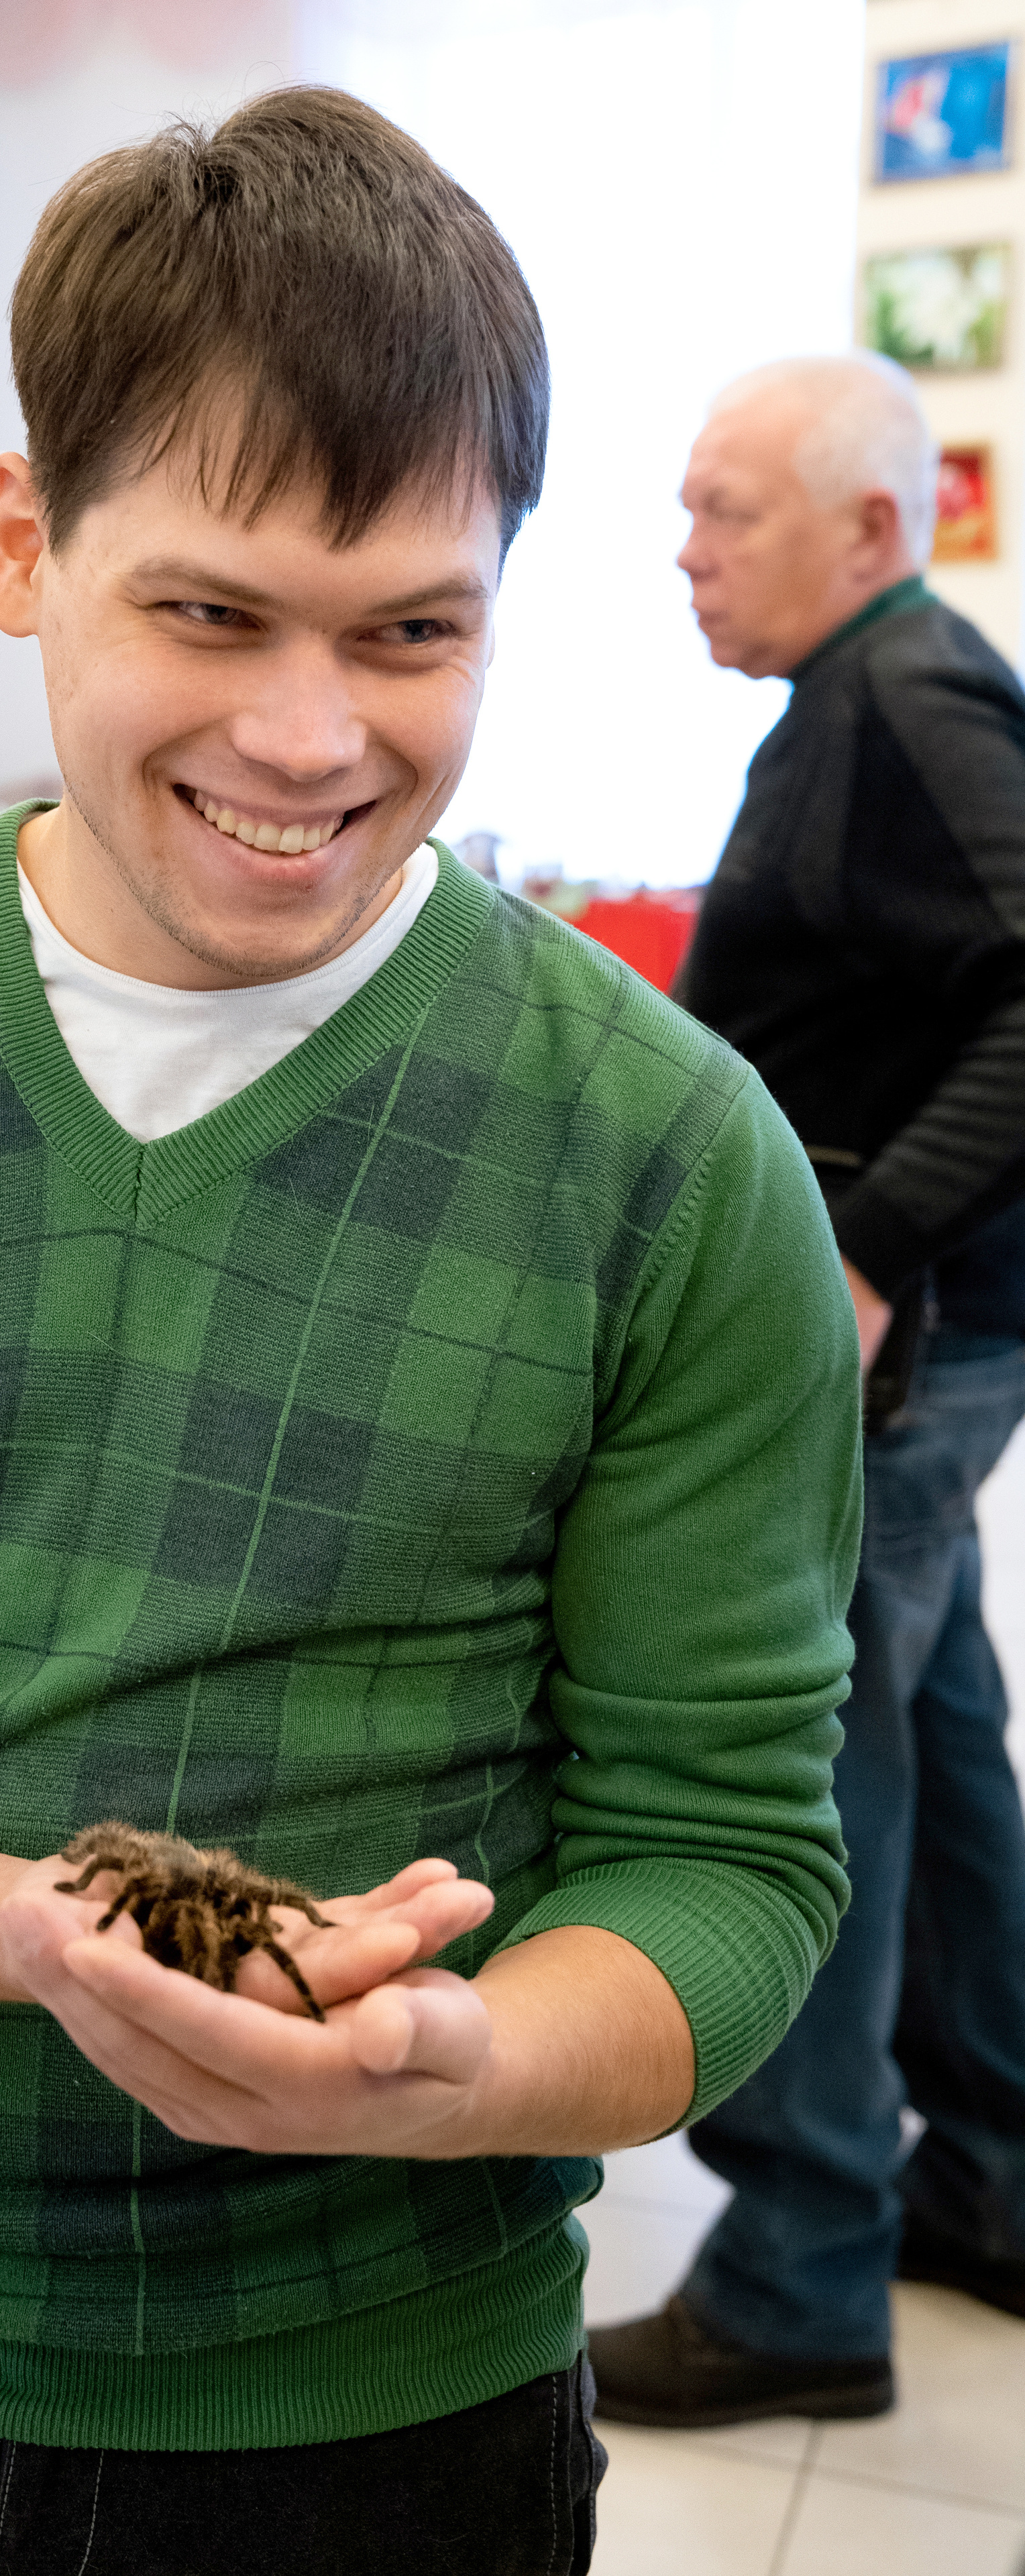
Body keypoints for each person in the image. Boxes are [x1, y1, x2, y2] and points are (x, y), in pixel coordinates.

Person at [0, 94, 862, 2576]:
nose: (311, 738)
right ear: (24, 542)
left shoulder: (668, 1163)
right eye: (212, 616)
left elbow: (724, 1866)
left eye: (410, 631)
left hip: (382, 2420)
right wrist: (17, 1932)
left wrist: (456, 2063)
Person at [588, 354, 1025, 2432]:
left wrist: (864, 1245)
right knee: (932, 1744)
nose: (684, 550)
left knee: (815, 1778)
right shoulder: (862, 695)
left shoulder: (908, 700)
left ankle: (799, 2271)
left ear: (867, 528)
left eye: (723, 509)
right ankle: (995, 2181)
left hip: (900, 1349)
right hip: (937, 1344)